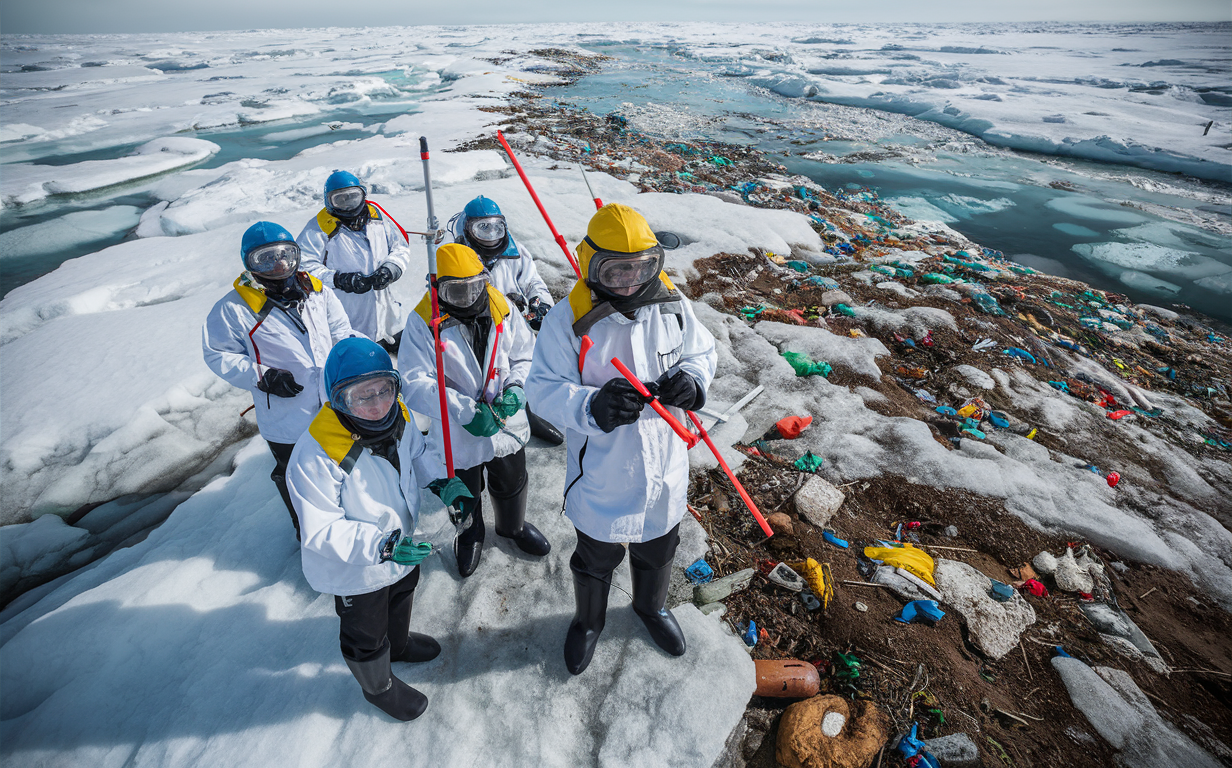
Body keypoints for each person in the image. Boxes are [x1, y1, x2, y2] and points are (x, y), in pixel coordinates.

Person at [525, 203, 716, 675]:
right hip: (603, 473)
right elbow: (542, 389)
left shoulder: (673, 306)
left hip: (665, 467)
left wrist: (691, 380)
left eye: (641, 268)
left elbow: (701, 350)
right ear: (592, 266)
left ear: (656, 262)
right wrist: (590, 406)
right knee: (596, 557)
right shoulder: (567, 320)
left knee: (659, 547)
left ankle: (650, 607)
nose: (630, 282)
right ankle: (588, 621)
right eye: (615, 271)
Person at [285, 336, 471, 722]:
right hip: (357, 567)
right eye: (360, 396)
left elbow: (417, 456)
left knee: (403, 593)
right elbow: (320, 529)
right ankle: (378, 687)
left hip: (400, 545)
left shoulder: (398, 416)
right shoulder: (315, 454)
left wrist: (440, 481)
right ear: (336, 400)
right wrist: (383, 547)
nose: (376, 405)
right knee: (365, 630)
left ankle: (398, 645)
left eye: (384, 390)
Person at [398, 243, 551, 578]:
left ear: (485, 280)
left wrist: (515, 388)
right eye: (456, 290)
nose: (467, 297)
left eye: (474, 287)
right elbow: (414, 382)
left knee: (511, 477)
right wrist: (463, 411)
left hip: (504, 419)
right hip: (457, 429)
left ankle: (513, 527)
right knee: (465, 487)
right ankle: (470, 533)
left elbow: (526, 355)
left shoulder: (503, 308)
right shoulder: (424, 321)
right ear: (437, 288)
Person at [203, 221, 355, 540]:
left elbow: (340, 329)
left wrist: (346, 361)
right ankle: (308, 532)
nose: (280, 264)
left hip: (333, 402)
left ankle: (349, 522)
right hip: (286, 415)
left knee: (343, 465)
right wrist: (262, 376)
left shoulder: (316, 291)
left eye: (287, 253)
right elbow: (217, 353)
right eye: (266, 258)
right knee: (295, 475)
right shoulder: (233, 309)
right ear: (249, 262)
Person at [449, 195, 563, 445]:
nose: (491, 235)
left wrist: (539, 302)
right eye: (482, 227)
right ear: (468, 228)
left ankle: (527, 415)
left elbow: (533, 281)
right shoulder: (458, 256)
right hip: (473, 328)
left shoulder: (516, 251)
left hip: (513, 327)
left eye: (496, 227)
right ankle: (476, 421)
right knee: (481, 377)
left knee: (519, 371)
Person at [297, 170, 411, 352]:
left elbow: (400, 247)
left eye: (353, 197)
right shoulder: (318, 228)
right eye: (340, 199)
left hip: (383, 300)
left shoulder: (377, 217)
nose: (348, 205)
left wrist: (391, 269)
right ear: (329, 201)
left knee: (389, 336)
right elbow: (304, 267)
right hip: (345, 304)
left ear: (363, 195)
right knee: (353, 346)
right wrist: (339, 280)